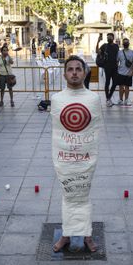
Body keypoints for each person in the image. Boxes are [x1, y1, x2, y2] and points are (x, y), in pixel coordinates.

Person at [51, 55, 102, 253]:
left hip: (86, 157)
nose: (74, 73)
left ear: (84, 72)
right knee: (68, 194)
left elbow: (95, 130)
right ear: (64, 74)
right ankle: (66, 234)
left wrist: (88, 153)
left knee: (83, 194)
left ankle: (86, 234)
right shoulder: (56, 99)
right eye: (70, 69)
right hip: (64, 157)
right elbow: (57, 130)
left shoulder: (93, 99)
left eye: (78, 69)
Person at [96, 33, 119, 107]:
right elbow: (97, 51)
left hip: (115, 67)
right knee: (107, 82)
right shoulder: (104, 46)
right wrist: (98, 42)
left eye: (110, 37)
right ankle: (107, 98)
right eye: (107, 37)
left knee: (115, 83)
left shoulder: (116, 46)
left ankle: (109, 97)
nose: (108, 38)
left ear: (113, 37)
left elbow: (118, 56)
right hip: (107, 67)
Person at [116, 38, 133, 106]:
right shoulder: (119, 52)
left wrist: (132, 71)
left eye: (127, 42)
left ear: (129, 44)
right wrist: (116, 70)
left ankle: (126, 100)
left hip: (129, 72)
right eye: (124, 42)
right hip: (120, 72)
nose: (126, 43)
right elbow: (117, 61)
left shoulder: (132, 52)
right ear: (123, 44)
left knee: (127, 87)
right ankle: (120, 99)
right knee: (121, 87)